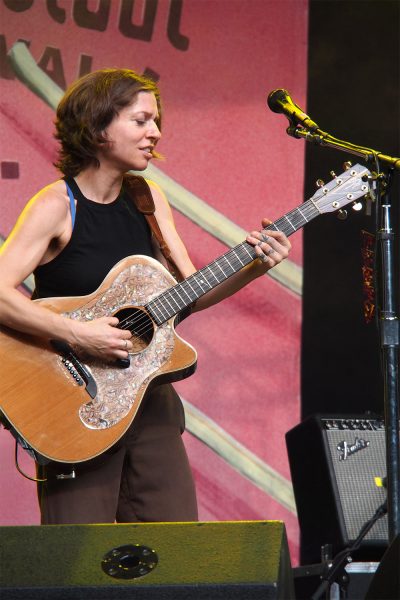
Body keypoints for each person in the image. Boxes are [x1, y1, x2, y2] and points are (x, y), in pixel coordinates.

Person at [0, 68, 291, 525]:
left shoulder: (148, 198)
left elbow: (188, 293)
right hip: (71, 403)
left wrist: (255, 267)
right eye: (140, 121)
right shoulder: (57, 204)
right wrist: (79, 333)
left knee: (177, 554)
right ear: (98, 129)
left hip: (149, 402)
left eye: (156, 121)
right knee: (79, 564)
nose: (155, 132)